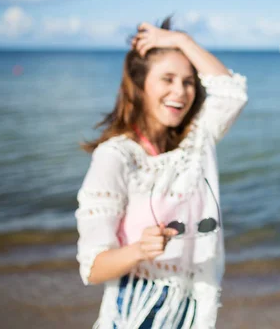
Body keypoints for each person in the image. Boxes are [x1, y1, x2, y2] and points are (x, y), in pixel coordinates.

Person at [76, 17, 247, 328]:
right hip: (136, 308)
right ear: (140, 86)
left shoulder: (196, 142)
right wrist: (140, 249)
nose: (180, 92)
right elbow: (93, 268)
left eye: (188, 81)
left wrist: (181, 40)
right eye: (167, 79)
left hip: (194, 305)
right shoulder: (115, 156)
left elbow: (232, 94)